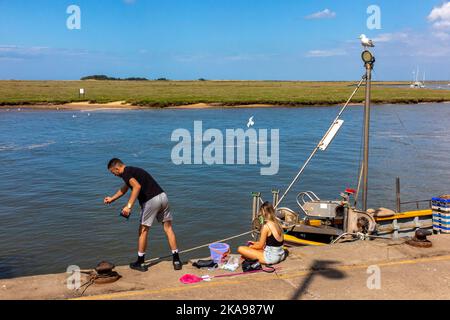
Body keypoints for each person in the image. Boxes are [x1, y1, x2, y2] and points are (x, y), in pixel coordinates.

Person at [104, 158, 182, 272]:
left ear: (117, 168)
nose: (114, 175)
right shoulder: (133, 171)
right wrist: (112, 199)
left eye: (113, 172)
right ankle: (177, 260)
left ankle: (140, 262)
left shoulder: (126, 173)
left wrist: (128, 206)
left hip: (151, 200)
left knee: (143, 231)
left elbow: (136, 186)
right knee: (168, 228)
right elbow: (124, 189)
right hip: (162, 196)